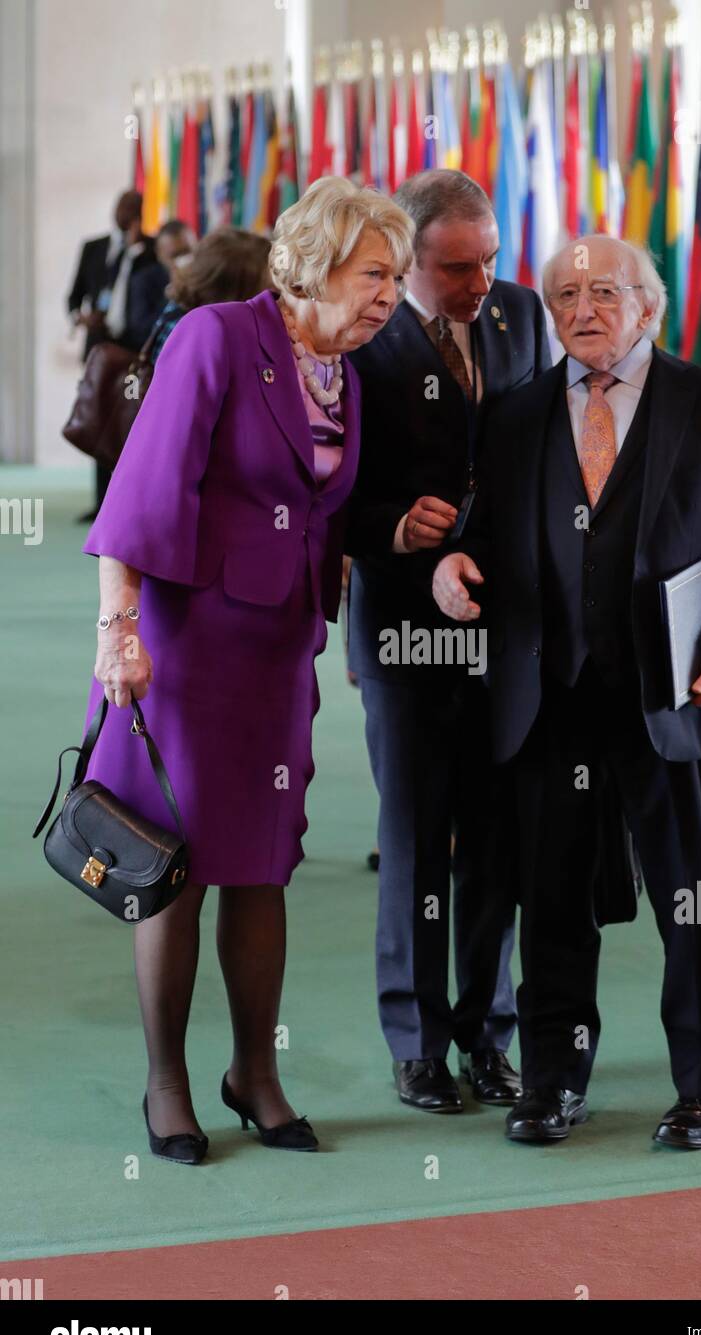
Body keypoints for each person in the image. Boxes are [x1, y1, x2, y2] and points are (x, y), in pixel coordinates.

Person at [80, 177, 414, 1164]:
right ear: (314, 265)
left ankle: (254, 1075)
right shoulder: (219, 338)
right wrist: (119, 629)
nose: (387, 295)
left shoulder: (346, 374)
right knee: (175, 867)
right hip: (189, 646)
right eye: (372, 274)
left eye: (395, 278)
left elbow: (324, 517)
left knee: (262, 866)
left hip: (278, 653)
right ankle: (167, 1084)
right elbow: (144, 489)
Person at [432, 234, 701, 1148]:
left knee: (689, 901)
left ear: (649, 305)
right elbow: (480, 537)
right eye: (563, 297)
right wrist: (453, 566)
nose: (583, 311)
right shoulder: (512, 416)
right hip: (546, 700)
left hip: (667, 697)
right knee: (551, 901)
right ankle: (552, 1082)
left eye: (603, 292)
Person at [345, 170, 551, 1115]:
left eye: (492, 262)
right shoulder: (364, 333)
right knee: (419, 836)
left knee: (497, 840)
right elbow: (330, 496)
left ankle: (487, 1034)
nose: (481, 285)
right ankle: (417, 1042)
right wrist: (400, 536)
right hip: (401, 618)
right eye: (457, 268)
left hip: (503, 625)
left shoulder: (520, 315)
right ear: (411, 253)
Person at [67, 190, 169, 519]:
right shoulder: (94, 249)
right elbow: (73, 297)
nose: (125, 214)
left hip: (135, 351)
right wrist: (80, 318)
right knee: (100, 418)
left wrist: (137, 249)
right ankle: (100, 502)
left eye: (132, 209)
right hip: (102, 349)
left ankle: (125, 501)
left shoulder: (153, 252)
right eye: (121, 208)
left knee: (130, 422)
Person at [148, 226, 272, 364]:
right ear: (233, 293)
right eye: (264, 286)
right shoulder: (197, 335)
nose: (271, 295)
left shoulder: (185, 304)